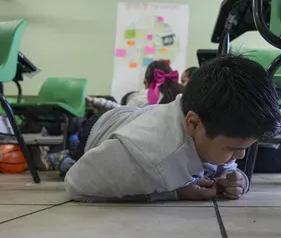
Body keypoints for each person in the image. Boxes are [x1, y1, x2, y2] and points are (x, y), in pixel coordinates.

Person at [64, 55, 281, 202]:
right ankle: (61, 157)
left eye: (245, 147)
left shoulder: (207, 121)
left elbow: (226, 160)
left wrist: (236, 176)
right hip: (99, 129)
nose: (241, 155)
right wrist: (174, 191)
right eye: (232, 148)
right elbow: (76, 184)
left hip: (139, 120)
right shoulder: (148, 158)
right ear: (194, 124)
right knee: (72, 156)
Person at [48, 61, 185, 177]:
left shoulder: (141, 96)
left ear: (146, 81)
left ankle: (67, 159)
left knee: (92, 124)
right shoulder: (181, 94)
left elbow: (121, 117)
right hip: (169, 155)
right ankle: (68, 157)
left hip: (135, 150)